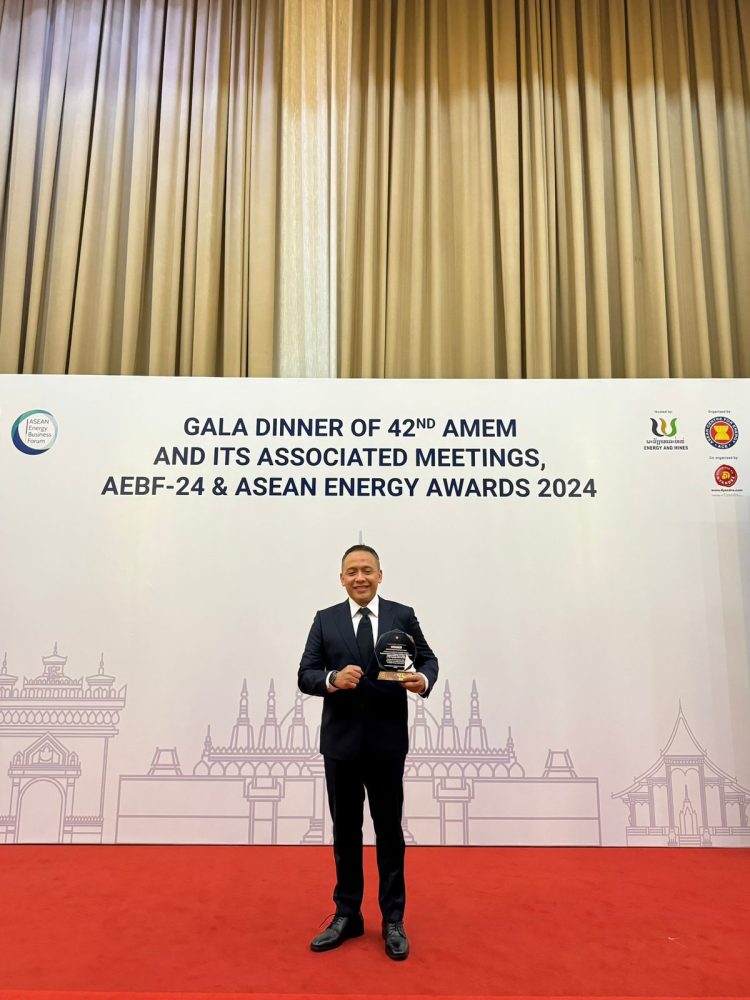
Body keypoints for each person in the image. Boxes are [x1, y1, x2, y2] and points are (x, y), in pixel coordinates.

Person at [298, 543, 439, 961]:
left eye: (367, 570)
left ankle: (393, 919)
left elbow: (428, 661)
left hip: (386, 743)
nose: (360, 577)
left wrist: (422, 681)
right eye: (352, 571)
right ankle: (347, 914)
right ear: (341, 578)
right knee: (345, 833)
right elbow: (305, 674)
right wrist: (331, 679)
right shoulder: (325, 619)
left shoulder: (401, 615)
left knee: (389, 832)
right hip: (340, 745)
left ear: (380, 575)